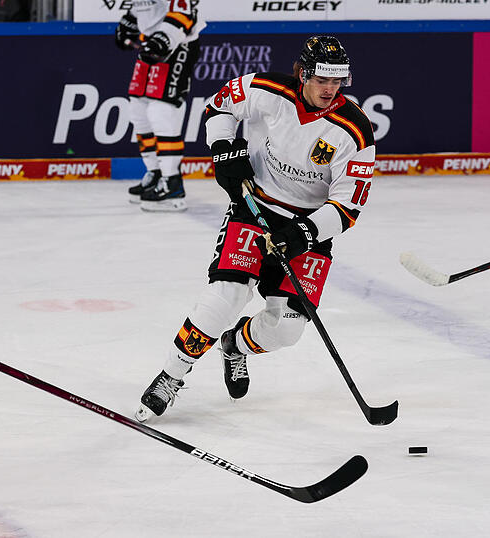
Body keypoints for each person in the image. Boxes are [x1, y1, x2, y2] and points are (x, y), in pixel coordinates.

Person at [135, 36, 376, 421]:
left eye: (338, 81)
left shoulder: (355, 130)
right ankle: (171, 376)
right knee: (225, 297)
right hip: (254, 207)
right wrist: (224, 150)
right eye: (321, 80)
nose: (330, 89)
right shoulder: (268, 90)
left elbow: (348, 206)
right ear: (303, 74)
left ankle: (235, 345)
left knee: (286, 331)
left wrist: (302, 234)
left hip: (308, 227)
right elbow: (219, 106)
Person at [115, 0, 205, 212]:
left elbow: (185, 11)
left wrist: (164, 37)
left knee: (162, 110)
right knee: (138, 108)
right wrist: (128, 23)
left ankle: (172, 182)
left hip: (179, 44)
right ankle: (155, 172)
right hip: (151, 43)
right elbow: (141, 7)